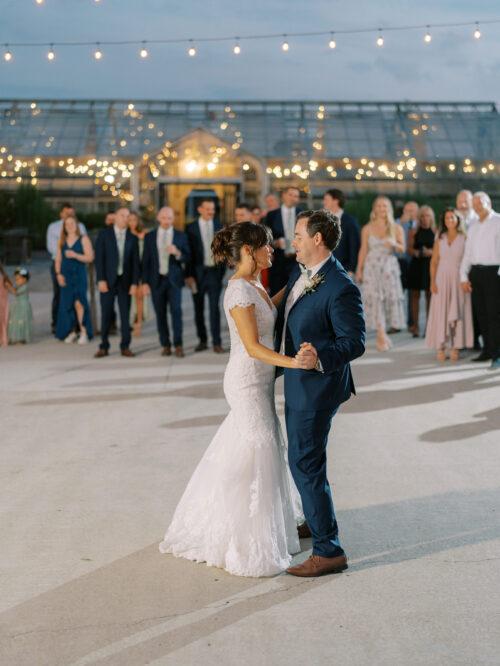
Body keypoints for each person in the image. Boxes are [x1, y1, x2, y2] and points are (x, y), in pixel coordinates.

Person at [160, 222, 305, 576]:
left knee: (259, 448)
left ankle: (257, 524)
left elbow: (266, 312)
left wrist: (297, 287)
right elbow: (254, 347)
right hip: (246, 381)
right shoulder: (238, 290)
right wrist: (294, 361)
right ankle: (242, 536)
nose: (272, 250)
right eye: (266, 245)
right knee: (259, 449)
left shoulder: (254, 285)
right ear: (247, 251)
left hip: (260, 381)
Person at [276, 209, 365, 576]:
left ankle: (328, 550)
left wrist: (318, 359)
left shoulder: (340, 286)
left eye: (298, 235)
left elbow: (354, 342)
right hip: (300, 383)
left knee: (304, 461)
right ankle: (315, 521)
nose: (292, 241)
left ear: (317, 239)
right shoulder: (304, 274)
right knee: (308, 460)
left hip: (317, 387)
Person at [356, 196, 405, 351]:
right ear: (374, 208)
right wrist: (359, 269)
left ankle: (382, 335)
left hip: (389, 268)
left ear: (388, 209)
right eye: (379, 206)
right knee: (375, 300)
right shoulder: (367, 228)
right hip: (372, 267)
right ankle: (381, 335)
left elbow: (403, 250)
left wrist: (394, 244)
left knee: (387, 301)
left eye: (385, 206)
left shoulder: (396, 228)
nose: (382, 209)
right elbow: (363, 249)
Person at [142, 206, 190, 358]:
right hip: (156, 281)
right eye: (163, 218)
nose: (166, 221)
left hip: (174, 281)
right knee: (160, 314)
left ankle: (178, 345)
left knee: (176, 312)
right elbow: (145, 261)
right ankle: (165, 344)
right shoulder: (149, 236)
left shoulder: (180, 236)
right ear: (158, 218)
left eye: (169, 218)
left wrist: (177, 253)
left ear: (173, 219)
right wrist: (144, 283)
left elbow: (188, 257)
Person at [426, 208, 473, 361]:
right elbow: (433, 262)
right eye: (447, 218)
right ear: (444, 221)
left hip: (458, 278)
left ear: (458, 219)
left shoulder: (465, 237)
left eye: (452, 218)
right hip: (441, 277)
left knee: (458, 311)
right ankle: (440, 346)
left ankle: (456, 346)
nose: (449, 220)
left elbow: (469, 260)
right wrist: (432, 281)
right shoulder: (440, 237)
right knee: (441, 311)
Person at [460, 192, 500, 370]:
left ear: (488, 202)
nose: (477, 206)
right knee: (481, 314)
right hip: (476, 273)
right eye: (474, 204)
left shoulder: (498, 221)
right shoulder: (473, 226)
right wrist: (463, 276)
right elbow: (467, 253)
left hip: (494, 273)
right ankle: (487, 350)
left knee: (494, 315)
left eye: (480, 202)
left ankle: (497, 355)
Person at [94, 207, 140, 358]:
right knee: (106, 314)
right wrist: (100, 279)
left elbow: (135, 263)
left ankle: (125, 346)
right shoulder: (104, 235)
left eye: (128, 216)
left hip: (125, 283)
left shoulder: (132, 238)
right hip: (107, 281)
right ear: (115, 217)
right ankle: (104, 346)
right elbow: (99, 259)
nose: (126, 218)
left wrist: (134, 283)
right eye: (123, 215)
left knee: (125, 316)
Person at [185, 198, 226, 353]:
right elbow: (188, 254)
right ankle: (202, 340)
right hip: (197, 275)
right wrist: (188, 276)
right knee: (198, 309)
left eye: (213, 209)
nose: (211, 212)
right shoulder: (190, 228)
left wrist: (221, 271)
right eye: (208, 209)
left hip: (214, 273)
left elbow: (224, 250)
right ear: (200, 209)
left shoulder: (219, 226)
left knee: (214, 309)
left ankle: (217, 342)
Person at [46, 203, 87, 333]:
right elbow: (52, 247)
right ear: (61, 214)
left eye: (71, 213)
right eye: (67, 213)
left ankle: (78, 324)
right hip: (60, 264)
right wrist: (65, 256)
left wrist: (75, 255)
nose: (69, 215)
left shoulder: (80, 226)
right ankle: (57, 324)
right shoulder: (53, 227)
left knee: (78, 295)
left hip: (77, 265)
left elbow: (84, 245)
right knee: (60, 294)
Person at [54, 216, 94, 344]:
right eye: (67, 224)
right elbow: (58, 260)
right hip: (66, 276)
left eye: (72, 223)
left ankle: (84, 332)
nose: (70, 226)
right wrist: (58, 274)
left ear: (77, 225)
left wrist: (75, 255)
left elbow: (90, 258)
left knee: (79, 303)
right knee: (68, 304)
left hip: (79, 275)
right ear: (64, 227)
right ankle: (72, 331)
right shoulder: (61, 241)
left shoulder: (84, 239)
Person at [455, 189, 480, 349]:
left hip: (475, 267)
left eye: (466, 201)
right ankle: (462, 340)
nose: (463, 204)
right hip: (456, 269)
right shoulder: (451, 219)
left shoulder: (479, 219)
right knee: (460, 307)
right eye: (460, 201)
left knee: (477, 307)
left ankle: (476, 340)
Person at [265, 186, 302, 293]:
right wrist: (275, 243)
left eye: (296, 196)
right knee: (276, 295)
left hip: (297, 262)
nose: (293, 198)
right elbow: (266, 239)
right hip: (277, 261)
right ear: (283, 196)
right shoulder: (272, 215)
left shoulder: (303, 214)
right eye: (291, 195)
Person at [407, 205, 436, 337]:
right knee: (415, 296)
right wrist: (419, 252)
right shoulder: (413, 231)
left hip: (430, 266)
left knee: (430, 296)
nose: (425, 218)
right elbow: (409, 250)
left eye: (427, 216)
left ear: (431, 217)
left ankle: (429, 327)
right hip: (417, 265)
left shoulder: (436, 231)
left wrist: (431, 252)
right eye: (422, 216)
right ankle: (415, 326)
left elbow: (439, 249)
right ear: (419, 218)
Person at [322, 188, 360, 275]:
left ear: (335, 201)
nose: (324, 202)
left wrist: (352, 269)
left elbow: (354, 246)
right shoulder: (323, 220)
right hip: (324, 268)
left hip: (343, 268)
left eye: (326, 199)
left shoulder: (350, 221)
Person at [396, 201, 419, 329]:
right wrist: (402, 222)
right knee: (398, 293)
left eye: (413, 210)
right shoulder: (396, 223)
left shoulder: (419, 225)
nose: (410, 213)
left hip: (415, 262)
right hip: (400, 261)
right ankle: (397, 322)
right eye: (407, 210)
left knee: (412, 293)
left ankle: (412, 322)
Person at [128, 211, 149, 336]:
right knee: (129, 299)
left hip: (141, 269)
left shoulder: (143, 235)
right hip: (128, 270)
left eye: (134, 220)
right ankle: (129, 322)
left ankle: (138, 323)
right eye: (129, 220)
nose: (132, 222)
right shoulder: (124, 234)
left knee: (139, 298)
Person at [8, 268, 33, 344]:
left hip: (23, 306)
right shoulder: (18, 286)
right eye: (16, 279)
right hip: (17, 305)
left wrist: (9, 287)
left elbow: (16, 292)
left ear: (24, 279)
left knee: (21, 322)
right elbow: (14, 290)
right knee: (15, 321)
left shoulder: (25, 286)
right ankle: (14, 337)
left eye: (18, 279)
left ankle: (22, 338)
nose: (16, 281)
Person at [0, 263, 12, 347]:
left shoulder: (3, 277)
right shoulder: (3, 276)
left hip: (3, 303)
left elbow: (10, 287)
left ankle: (3, 339)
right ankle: (3, 339)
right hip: (3, 302)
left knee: (3, 321)